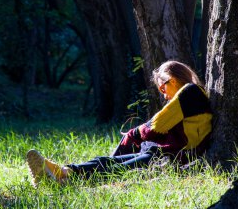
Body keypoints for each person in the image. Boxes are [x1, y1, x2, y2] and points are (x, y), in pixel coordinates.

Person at [26, 60, 212, 186]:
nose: (164, 95)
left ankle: (62, 177)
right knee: (107, 162)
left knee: (116, 168)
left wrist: (136, 133)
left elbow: (157, 126)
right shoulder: (188, 97)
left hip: (171, 159)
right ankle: (59, 173)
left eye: (163, 88)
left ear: (172, 79)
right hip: (159, 154)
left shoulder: (191, 92)